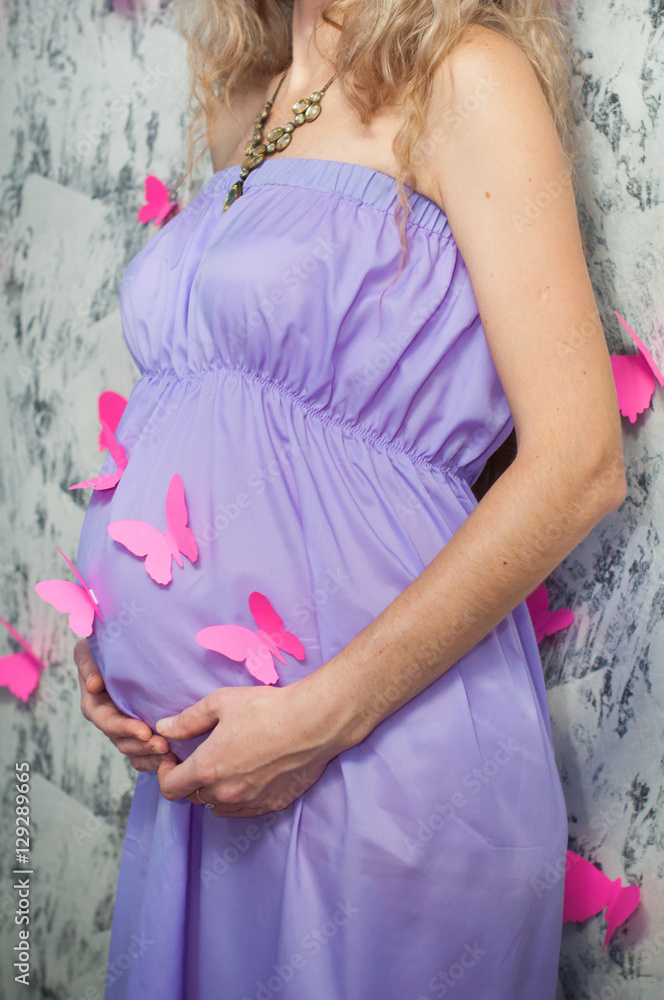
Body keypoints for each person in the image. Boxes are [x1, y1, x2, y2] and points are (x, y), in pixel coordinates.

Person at [74, 1, 626, 997]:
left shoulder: (464, 78)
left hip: (374, 761)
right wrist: (118, 646)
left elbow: (579, 462)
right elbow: (204, 411)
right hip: (209, 784)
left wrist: (316, 722)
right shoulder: (246, 104)